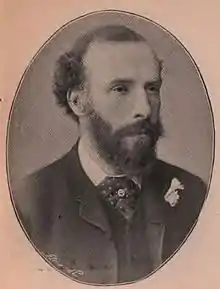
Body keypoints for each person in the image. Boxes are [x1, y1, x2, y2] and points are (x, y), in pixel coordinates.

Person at [14, 25, 207, 284]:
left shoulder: (193, 196)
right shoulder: (31, 204)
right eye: (121, 89)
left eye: (151, 88)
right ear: (77, 101)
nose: (144, 109)